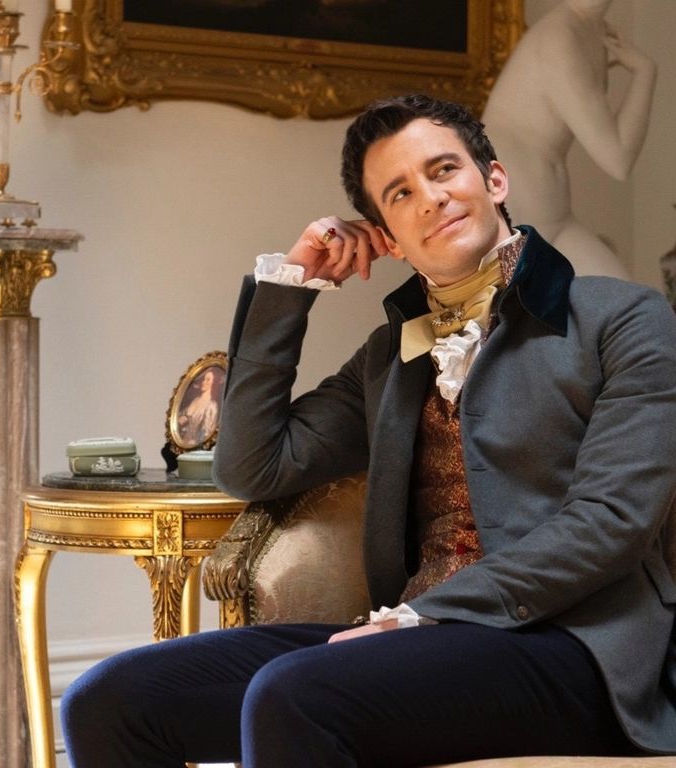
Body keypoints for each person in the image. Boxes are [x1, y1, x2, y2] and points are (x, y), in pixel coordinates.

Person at [61, 94, 676, 767]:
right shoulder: (391, 356)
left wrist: (419, 616)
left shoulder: (623, 318)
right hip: (414, 642)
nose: (432, 199)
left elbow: (611, 521)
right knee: (110, 697)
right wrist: (291, 285)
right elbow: (254, 466)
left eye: (445, 171)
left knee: (296, 693)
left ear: (494, 180)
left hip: (577, 648)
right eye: (401, 193)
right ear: (386, 233)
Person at [481, 0, 656, 279]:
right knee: (527, 314)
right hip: (517, 198)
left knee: (628, 304)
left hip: (552, 203)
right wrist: (645, 73)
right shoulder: (559, 37)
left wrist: (645, 71)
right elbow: (617, 159)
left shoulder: (591, 30)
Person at [178, 368, 220, 448]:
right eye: (204, 379)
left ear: (214, 383)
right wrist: (180, 419)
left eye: (208, 380)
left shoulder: (211, 406)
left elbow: (207, 433)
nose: (204, 382)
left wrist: (195, 443)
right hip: (183, 446)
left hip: (197, 452)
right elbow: (180, 417)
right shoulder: (195, 400)